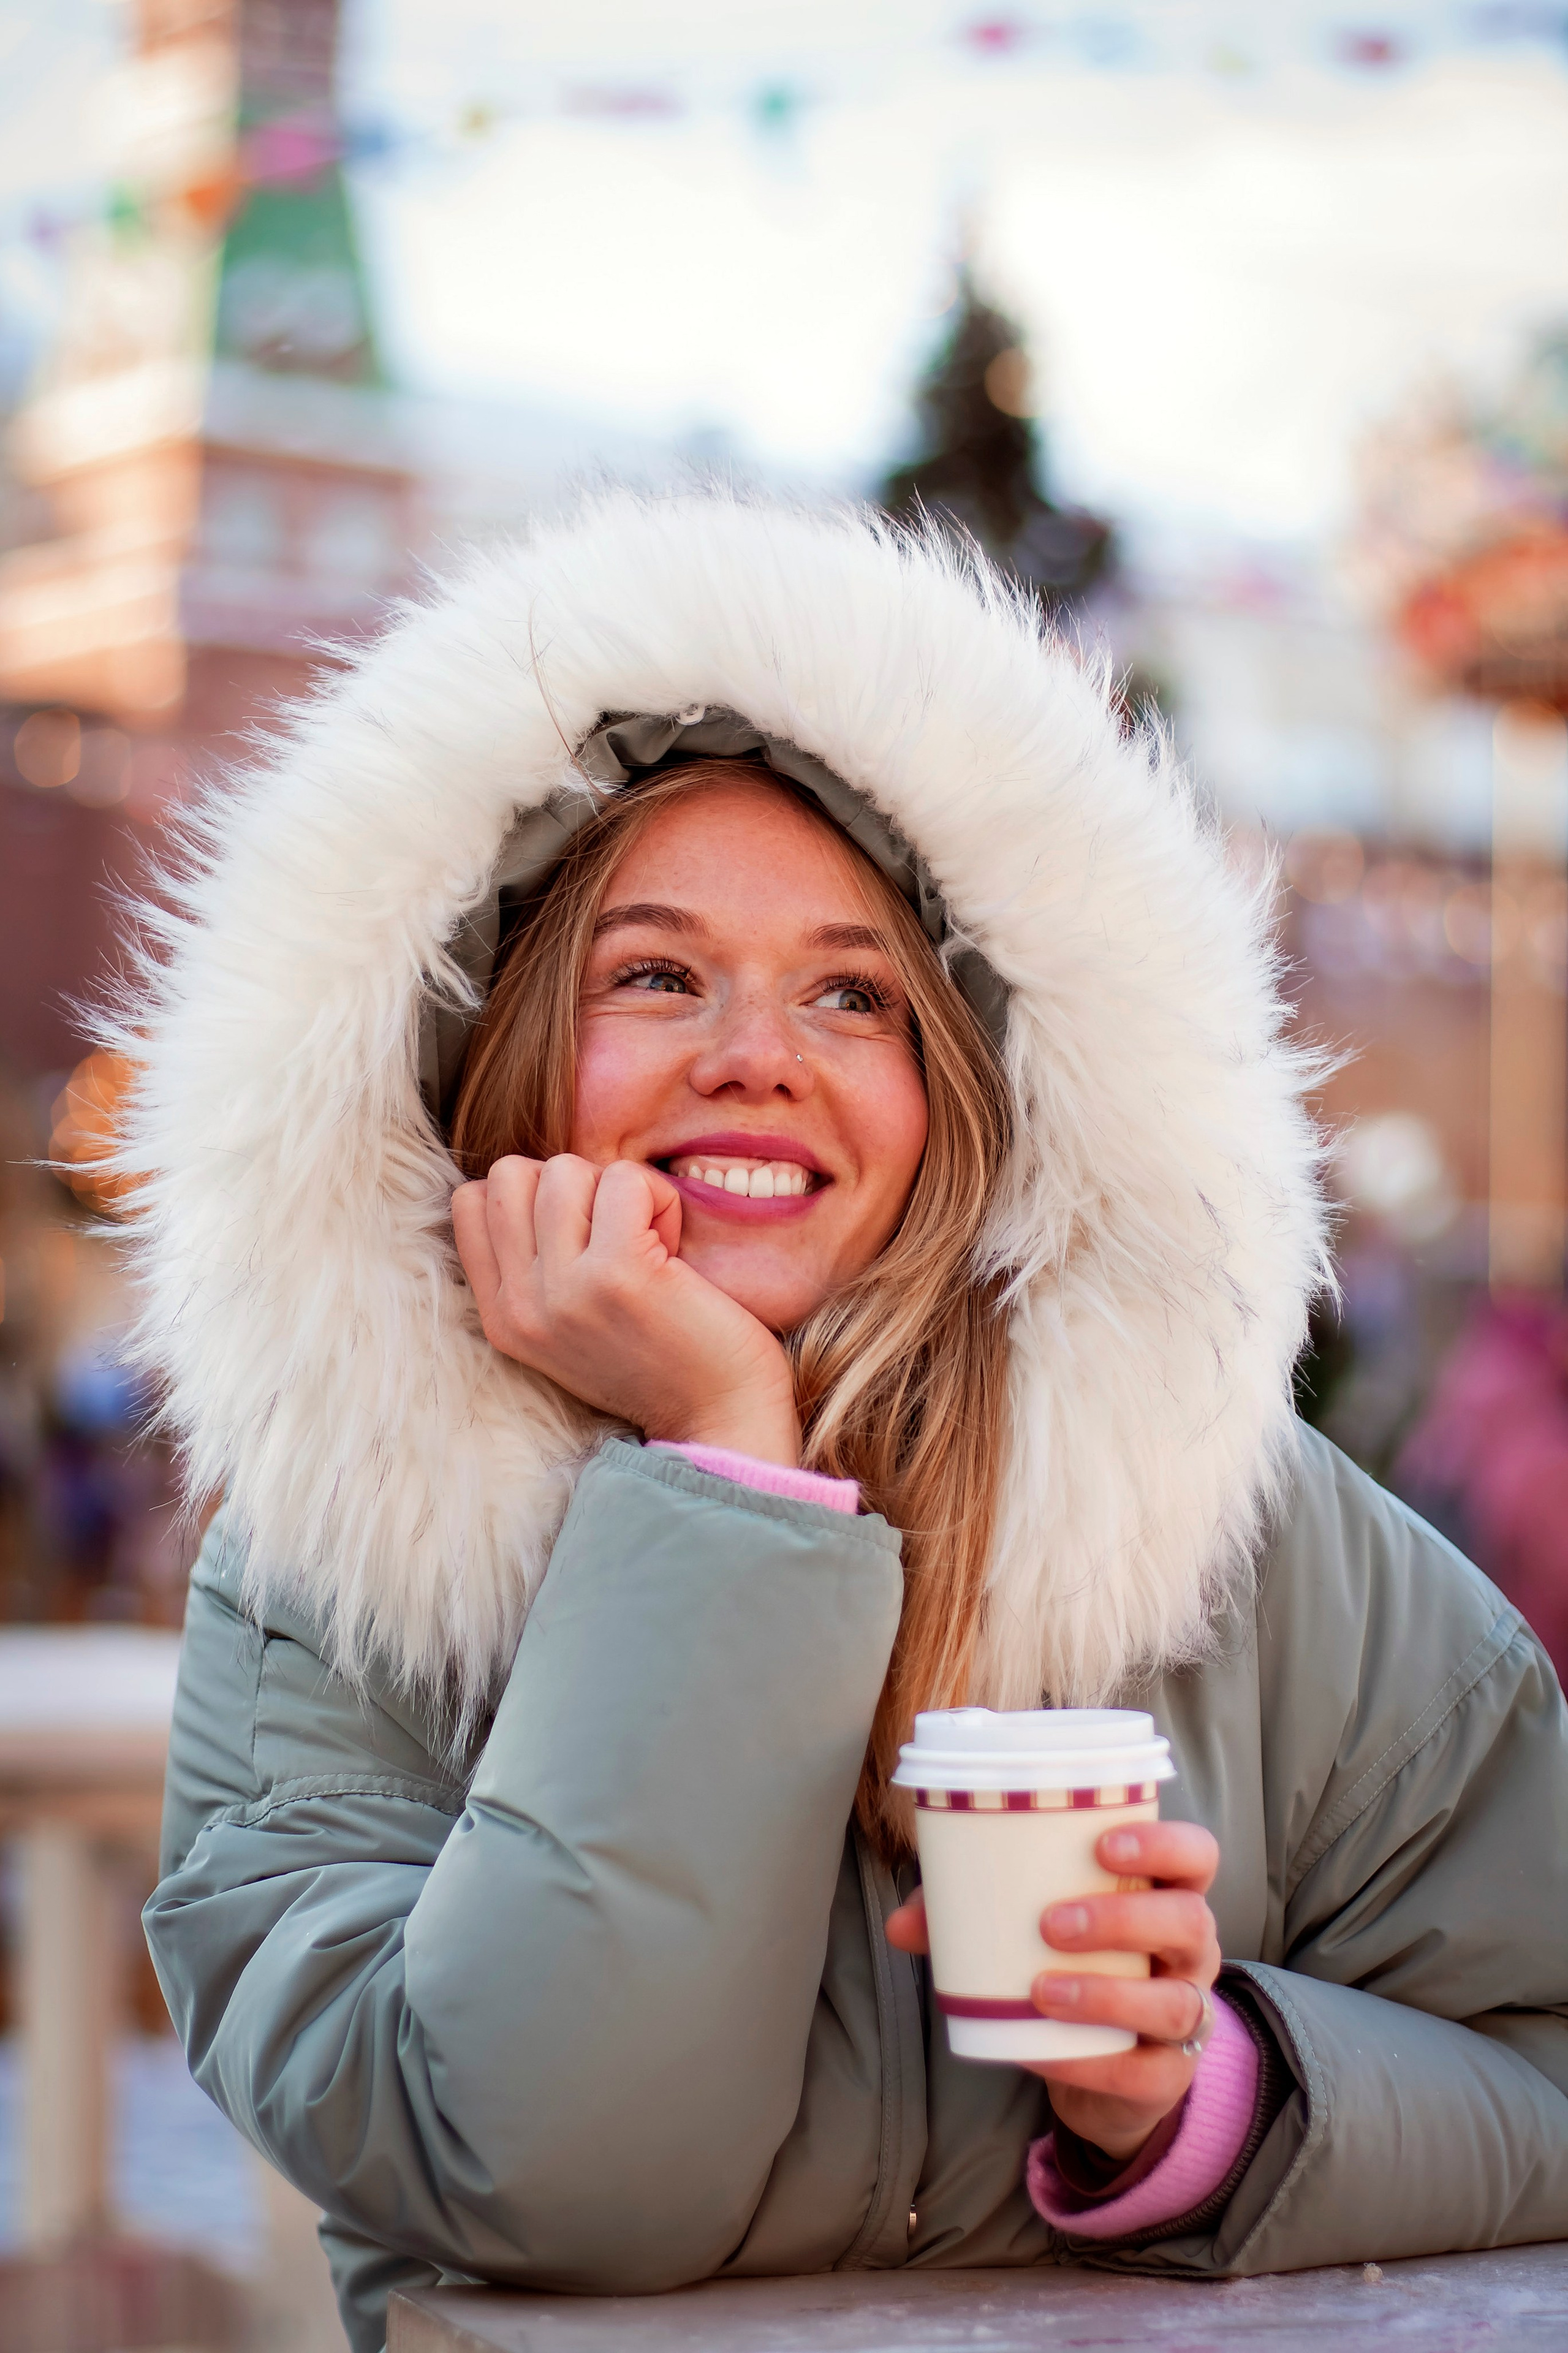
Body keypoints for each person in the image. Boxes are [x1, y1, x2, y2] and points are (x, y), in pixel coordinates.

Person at [126, 493, 1567, 2353]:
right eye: (654, 976)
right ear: (494, 1052)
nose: (757, 1054)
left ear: (958, 1091)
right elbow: (540, 2176)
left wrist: (1199, 2100)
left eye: (853, 993)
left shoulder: (1249, 1528)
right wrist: (725, 1458)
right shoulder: (338, 1568)